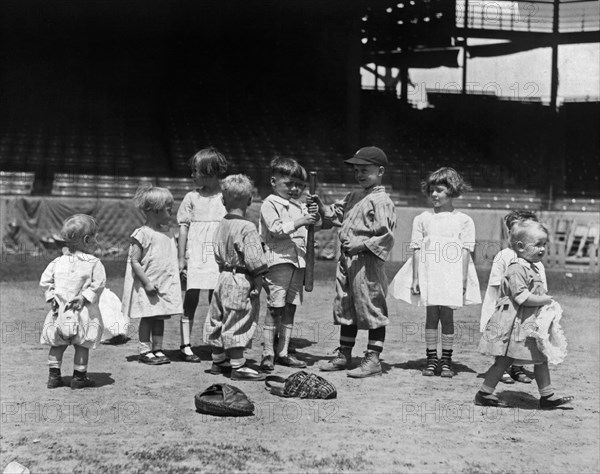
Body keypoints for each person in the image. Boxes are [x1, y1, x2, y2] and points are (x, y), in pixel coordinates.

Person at [312, 146, 396, 378]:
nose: (359, 174)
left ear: (380, 171)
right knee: (346, 305)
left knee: (371, 306)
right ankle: (344, 354)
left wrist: (360, 245)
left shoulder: (381, 200)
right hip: (347, 260)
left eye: (365, 170)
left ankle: (373, 359)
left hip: (367, 261)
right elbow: (332, 217)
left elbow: (385, 236)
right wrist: (319, 205)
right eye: (356, 170)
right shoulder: (353, 196)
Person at [389, 167, 481, 378]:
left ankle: (446, 361)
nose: (434, 195)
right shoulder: (422, 218)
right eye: (431, 190)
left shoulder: (464, 220)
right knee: (431, 316)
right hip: (429, 272)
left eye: (439, 190)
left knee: (447, 317)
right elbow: (417, 249)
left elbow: (466, 252)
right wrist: (415, 278)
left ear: (452, 190)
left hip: (451, 274)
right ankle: (431, 360)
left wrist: (463, 279)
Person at [476, 220, 574, 409]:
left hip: (527, 324)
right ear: (520, 247)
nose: (542, 249)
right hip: (513, 325)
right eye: (537, 244)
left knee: (541, 358)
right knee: (504, 360)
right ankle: (484, 393)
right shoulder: (516, 269)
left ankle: (547, 396)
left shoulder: (532, 267)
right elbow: (522, 297)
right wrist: (545, 300)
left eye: (544, 244)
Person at [203, 174, 269, 381]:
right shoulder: (247, 227)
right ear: (249, 200)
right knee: (238, 318)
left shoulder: (221, 223)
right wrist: (258, 282)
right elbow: (254, 259)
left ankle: (218, 359)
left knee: (218, 316)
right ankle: (238, 366)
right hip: (241, 277)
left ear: (223, 200)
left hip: (222, 276)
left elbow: (215, 252)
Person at [259, 157, 319, 371]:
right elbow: (276, 229)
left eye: (299, 185)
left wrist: (314, 210)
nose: (295, 189)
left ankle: (283, 352)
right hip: (278, 260)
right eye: (289, 184)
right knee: (275, 307)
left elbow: (316, 225)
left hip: (298, 261)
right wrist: (301, 221)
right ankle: (267, 351)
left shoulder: (301, 206)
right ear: (274, 182)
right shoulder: (270, 203)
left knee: (291, 307)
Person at [40, 214, 106, 389]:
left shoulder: (57, 261)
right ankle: (79, 377)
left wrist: (51, 297)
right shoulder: (94, 262)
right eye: (95, 237)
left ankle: (54, 377)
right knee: (82, 345)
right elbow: (98, 284)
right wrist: (84, 296)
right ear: (86, 239)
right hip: (82, 312)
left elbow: (45, 281)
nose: (96, 240)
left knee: (57, 344)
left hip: (60, 312)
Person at [480, 210, 544, 385]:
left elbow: (541, 284)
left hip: (527, 306)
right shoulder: (504, 255)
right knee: (503, 338)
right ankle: (502, 369)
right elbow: (496, 285)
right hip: (507, 304)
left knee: (522, 338)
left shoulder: (535, 257)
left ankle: (518, 368)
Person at [122, 185, 183, 365]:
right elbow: (134, 261)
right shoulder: (142, 234)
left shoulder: (169, 233)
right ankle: (145, 350)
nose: (171, 211)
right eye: (168, 208)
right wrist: (147, 283)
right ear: (156, 211)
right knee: (148, 317)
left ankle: (157, 348)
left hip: (163, 284)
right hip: (148, 285)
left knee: (160, 316)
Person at [177, 148, 228, 362]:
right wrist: (181, 258)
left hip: (217, 254)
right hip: (196, 254)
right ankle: (185, 344)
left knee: (216, 298)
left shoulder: (226, 196)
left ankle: (216, 342)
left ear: (209, 171)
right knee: (190, 298)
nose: (192, 176)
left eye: (196, 171)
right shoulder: (191, 197)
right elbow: (183, 228)